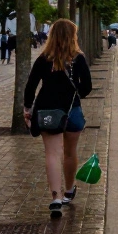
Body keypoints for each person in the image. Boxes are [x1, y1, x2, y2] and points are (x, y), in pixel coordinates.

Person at [23, 19, 92, 219]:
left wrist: (28, 108)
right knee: (70, 152)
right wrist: (73, 93)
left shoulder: (43, 58)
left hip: (47, 112)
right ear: (73, 36)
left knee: (52, 154)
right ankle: (69, 191)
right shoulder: (78, 59)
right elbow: (86, 87)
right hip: (72, 110)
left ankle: (55, 197)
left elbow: (30, 86)